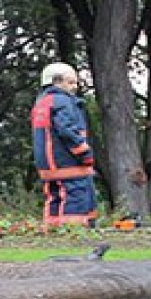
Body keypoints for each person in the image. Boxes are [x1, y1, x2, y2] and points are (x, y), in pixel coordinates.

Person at [31, 62, 97, 226]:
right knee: (76, 197)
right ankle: (74, 232)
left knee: (54, 198)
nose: (75, 87)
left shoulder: (41, 103)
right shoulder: (63, 101)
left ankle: (53, 231)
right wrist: (84, 153)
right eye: (70, 82)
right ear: (56, 81)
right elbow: (67, 131)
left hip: (47, 166)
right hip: (68, 163)